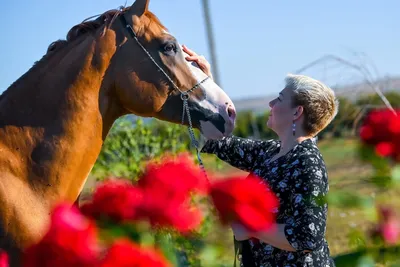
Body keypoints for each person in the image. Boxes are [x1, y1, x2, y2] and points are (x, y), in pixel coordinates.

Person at [182, 45, 338, 267]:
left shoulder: (308, 163)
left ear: (297, 112)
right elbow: (219, 140)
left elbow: (307, 236)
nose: (271, 104)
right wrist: (206, 83)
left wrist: (251, 227)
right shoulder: (271, 151)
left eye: (280, 99)